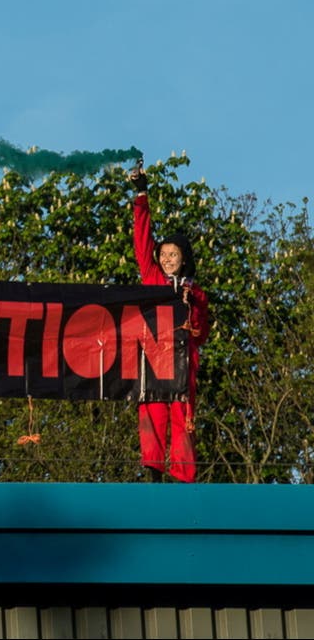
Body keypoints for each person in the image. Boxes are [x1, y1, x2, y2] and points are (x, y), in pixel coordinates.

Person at [129, 163, 210, 483]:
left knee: (182, 417)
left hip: (181, 363)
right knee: (151, 410)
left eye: (172, 254)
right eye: (163, 254)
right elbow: (142, 242)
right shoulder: (152, 279)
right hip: (153, 359)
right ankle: (153, 469)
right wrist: (141, 195)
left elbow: (200, 334)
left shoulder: (196, 292)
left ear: (183, 258)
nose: (166, 259)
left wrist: (190, 310)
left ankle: (183, 476)